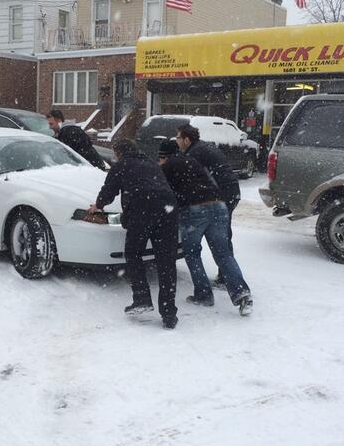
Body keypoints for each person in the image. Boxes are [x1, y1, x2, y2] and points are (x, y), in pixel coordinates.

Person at [88, 139, 179, 329]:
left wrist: (98, 205)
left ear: (119, 153)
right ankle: (169, 313)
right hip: (168, 209)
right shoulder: (152, 164)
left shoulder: (121, 165)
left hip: (142, 209)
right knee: (166, 261)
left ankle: (142, 298)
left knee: (133, 253)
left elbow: (108, 191)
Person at [158, 139, 253, 316]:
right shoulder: (192, 160)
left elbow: (165, 194)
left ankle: (203, 295)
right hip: (219, 206)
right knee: (223, 253)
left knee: (192, 253)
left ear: (163, 156)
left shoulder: (167, 166)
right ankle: (242, 293)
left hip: (194, 210)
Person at [175, 124, 240, 288]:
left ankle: (225, 278)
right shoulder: (202, 147)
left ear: (186, 139)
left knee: (220, 238)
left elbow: (191, 180)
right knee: (223, 236)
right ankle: (227, 277)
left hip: (222, 194)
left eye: (178, 137)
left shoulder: (194, 154)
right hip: (231, 190)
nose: (176, 141)